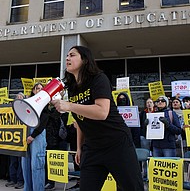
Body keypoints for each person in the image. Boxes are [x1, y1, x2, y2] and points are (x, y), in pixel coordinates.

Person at [52, 46, 144, 191]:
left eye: (72, 55)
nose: (67, 58)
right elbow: (80, 121)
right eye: (67, 56)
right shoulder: (72, 88)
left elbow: (102, 112)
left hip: (117, 144)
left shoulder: (98, 79)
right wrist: (79, 148)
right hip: (92, 148)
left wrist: (69, 106)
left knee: (132, 187)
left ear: (85, 60)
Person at [22, 83, 48, 191]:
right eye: (37, 88)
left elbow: (44, 120)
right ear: (33, 90)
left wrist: (33, 135)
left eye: (41, 89)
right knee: (25, 165)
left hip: (37, 134)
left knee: (36, 165)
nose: (39, 90)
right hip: (26, 132)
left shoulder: (44, 103)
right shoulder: (28, 102)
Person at [44, 105, 67, 190]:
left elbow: (53, 120)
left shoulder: (55, 113)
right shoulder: (49, 112)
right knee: (46, 163)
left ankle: (51, 182)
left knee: (50, 164)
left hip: (52, 140)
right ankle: (48, 181)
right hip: (48, 139)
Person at [5, 92, 25, 189]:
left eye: (21, 97)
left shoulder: (25, 110)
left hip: (21, 141)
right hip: (12, 140)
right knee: (13, 162)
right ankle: (13, 180)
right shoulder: (11, 111)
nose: (19, 98)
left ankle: (20, 181)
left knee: (20, 162)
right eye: (18, 97)